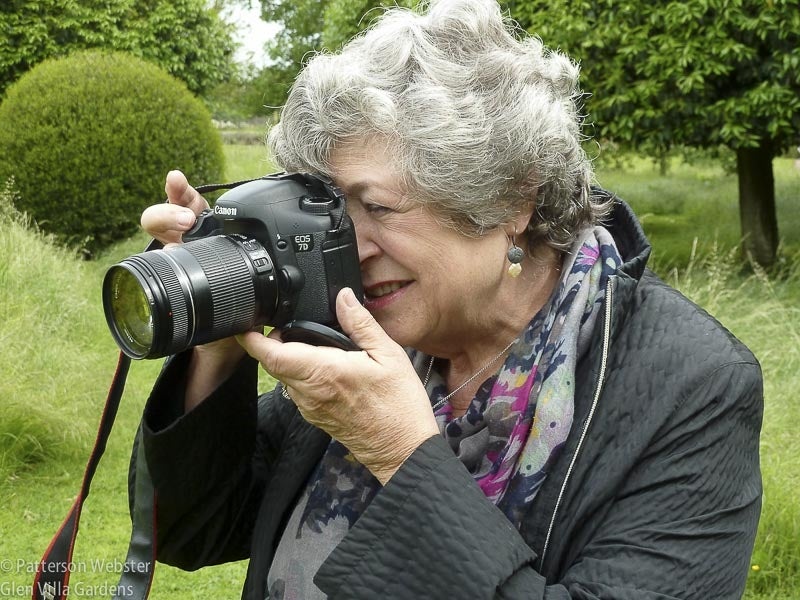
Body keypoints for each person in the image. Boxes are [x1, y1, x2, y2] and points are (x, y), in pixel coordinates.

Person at [133, 0, 763, 598]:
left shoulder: (693, 385)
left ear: (514, 202)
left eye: (377, 207)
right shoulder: (362, 330)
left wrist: (400, 454)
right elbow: (193, 530)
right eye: (327, 211)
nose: (350, 246)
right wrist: (219, 336)